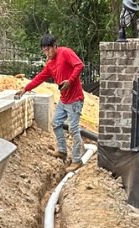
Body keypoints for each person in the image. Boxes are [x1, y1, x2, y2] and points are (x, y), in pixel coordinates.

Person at [15, 34, 86, 172]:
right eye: (44, 50)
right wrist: (25, 89)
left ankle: (77, 160)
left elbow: (79, 65)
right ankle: (62, 151)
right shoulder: (50, 64)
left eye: (49, 49)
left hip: (75, 99)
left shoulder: (65, 52)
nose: (47, 53)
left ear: (55, 46)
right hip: (64, 99)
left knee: (73, 129)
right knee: (56, 123)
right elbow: (40, 78)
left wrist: (70, 81)